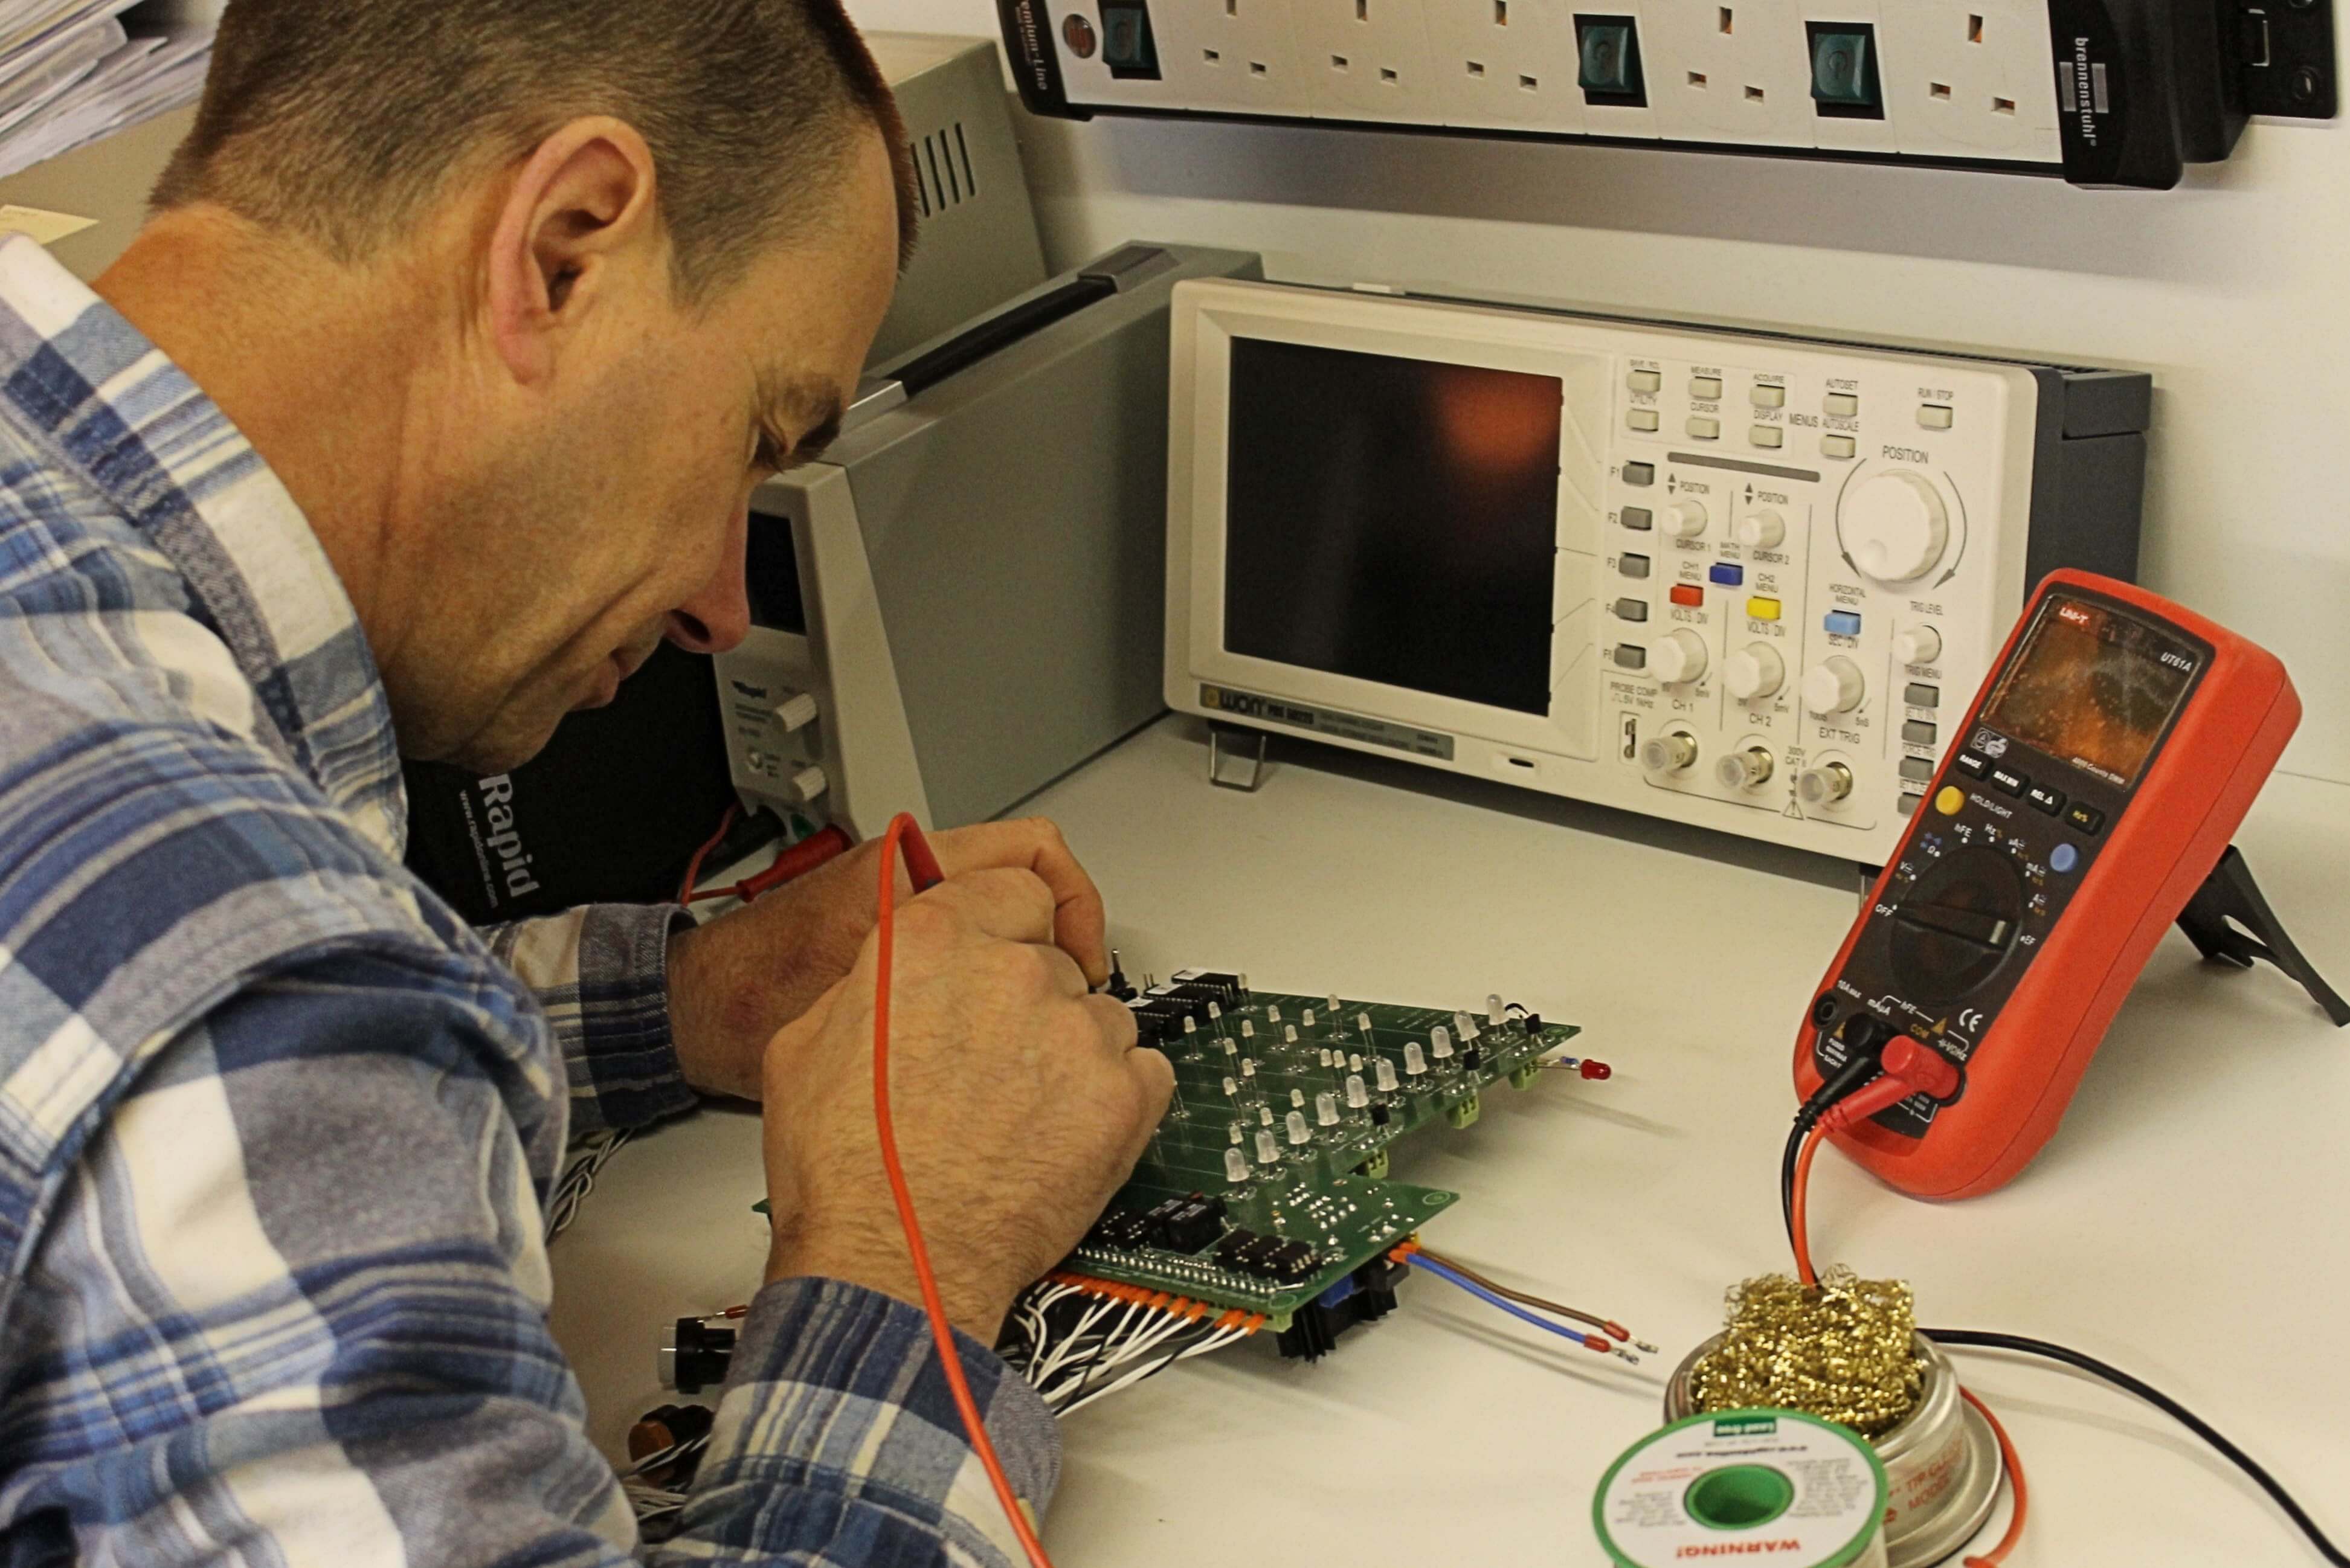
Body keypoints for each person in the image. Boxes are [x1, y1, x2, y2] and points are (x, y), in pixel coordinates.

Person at [0, 3, 1174, 1564]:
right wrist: (911, 1250)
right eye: (760, 436)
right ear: (562, 248)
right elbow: (222, 1002)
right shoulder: (248, 961)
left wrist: (694, 994)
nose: (721, 605)